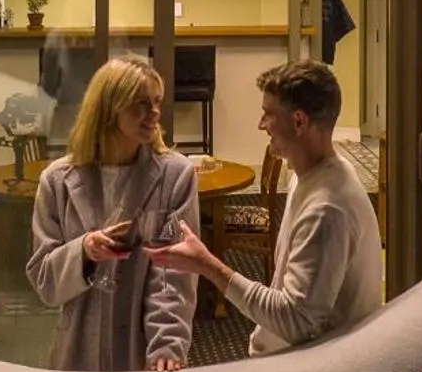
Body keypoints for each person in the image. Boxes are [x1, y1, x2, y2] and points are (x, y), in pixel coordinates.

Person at [152, 60, 381, 356]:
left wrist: (208, 265)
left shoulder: (327, 208)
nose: (261, 124)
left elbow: (296, 322)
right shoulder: (308, 176)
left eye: (268, 115)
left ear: (299, 122)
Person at [27, 57, 199, 371]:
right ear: (109, 108)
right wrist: (83, 252)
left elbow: (174, 276)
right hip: (77, 354)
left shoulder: (176, 175)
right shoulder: (57, 180)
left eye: (156, 102)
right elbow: (44, 280)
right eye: (141, 104)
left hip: (144, 355)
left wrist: (166, 345)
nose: (154, 113)